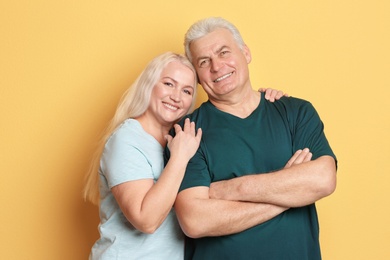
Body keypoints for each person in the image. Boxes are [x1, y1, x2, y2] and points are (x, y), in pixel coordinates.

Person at [83, 51, 286, 259]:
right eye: (169, 84)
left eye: (187, 91)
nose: (176, 97)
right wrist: (179, 158)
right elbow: (146, 220)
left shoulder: (184, 136)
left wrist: (265, 102)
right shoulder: (127, 139)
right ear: (149, 84)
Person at [172, 17, 338, 259]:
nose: (217, 67)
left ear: (246, 53)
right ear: (197, 75)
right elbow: (195, 220)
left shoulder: (296, 112)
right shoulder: (186, 132)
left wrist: (227, 189)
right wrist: (290, 193)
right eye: (204, 61)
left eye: (224, 52)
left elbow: (323, 179)